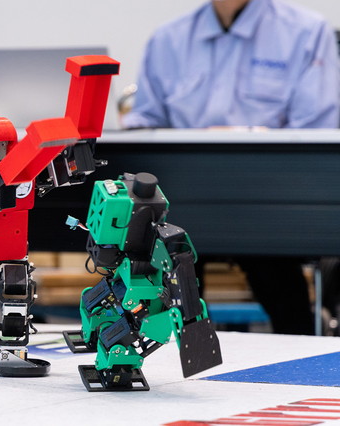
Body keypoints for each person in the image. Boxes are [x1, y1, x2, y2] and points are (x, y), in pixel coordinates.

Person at [122, 0, 340, 334]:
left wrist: (246, 135)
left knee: (280, 284)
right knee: (171, 272)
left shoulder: (306, 32)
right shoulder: (168, 39)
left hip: (273, 201)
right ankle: (173, 348)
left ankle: (300, 351)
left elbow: (317, 128)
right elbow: (147, 120)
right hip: (186, 199)